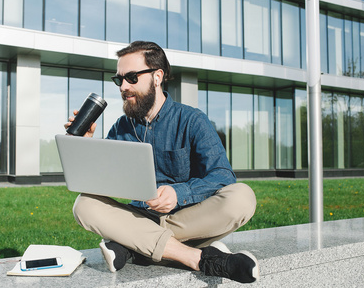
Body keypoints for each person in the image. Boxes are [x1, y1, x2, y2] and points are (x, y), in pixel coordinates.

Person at [65, 41, 259, 284]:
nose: (123, 86)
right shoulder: (121, 127)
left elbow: (222, 175)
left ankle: (133, 246)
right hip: (139, 216)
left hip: (188, 216)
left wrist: (179, 193)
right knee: (84, 205)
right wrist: (87, 145)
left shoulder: (192, 120)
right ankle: (198, 258)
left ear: (157, 77)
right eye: (119, 80)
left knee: (242, 198)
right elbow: (101, 184)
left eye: (132, 77)